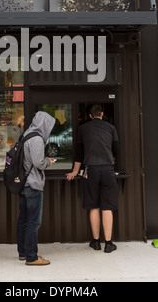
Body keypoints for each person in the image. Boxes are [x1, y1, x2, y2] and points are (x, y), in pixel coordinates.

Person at [66, 104, 119, 253]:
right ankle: (108, 244)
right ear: (102, 114)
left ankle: (96, 242)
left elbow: (79, 154)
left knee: (94, 206)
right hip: (108, 169)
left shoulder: (83, 129)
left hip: (91, 170)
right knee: (107, 207)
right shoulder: (111, 128)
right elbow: (116, 150)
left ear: (89, 116)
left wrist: (74, 172)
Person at [17, 111, 55, 265]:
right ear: (44, 124)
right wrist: (49, 162)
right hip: (33, 185)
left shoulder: (26, 134)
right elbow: (39, 163)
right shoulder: (37, 139)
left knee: (24, 220)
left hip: (23, 184)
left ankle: (23, 253)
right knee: (33, 222)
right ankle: (32, 257)